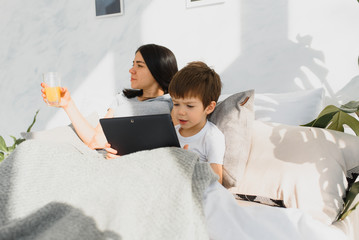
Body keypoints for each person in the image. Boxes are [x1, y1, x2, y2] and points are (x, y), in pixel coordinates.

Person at [41, 44, 178, 157]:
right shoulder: (122, 99)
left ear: (158, 70)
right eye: (133, 64)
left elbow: (176, 147)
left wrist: (124, 156)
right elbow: (94, 140)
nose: (131, 70)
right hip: (105, 159)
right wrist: (68, 104)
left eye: (139, 65)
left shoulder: (173, 103)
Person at [168, 61, 225, 183]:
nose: (181, 112)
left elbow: (217, 182)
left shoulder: (211, 137)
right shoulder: (172, 132)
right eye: (176, 104)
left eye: (189, 106)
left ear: (209, 107)